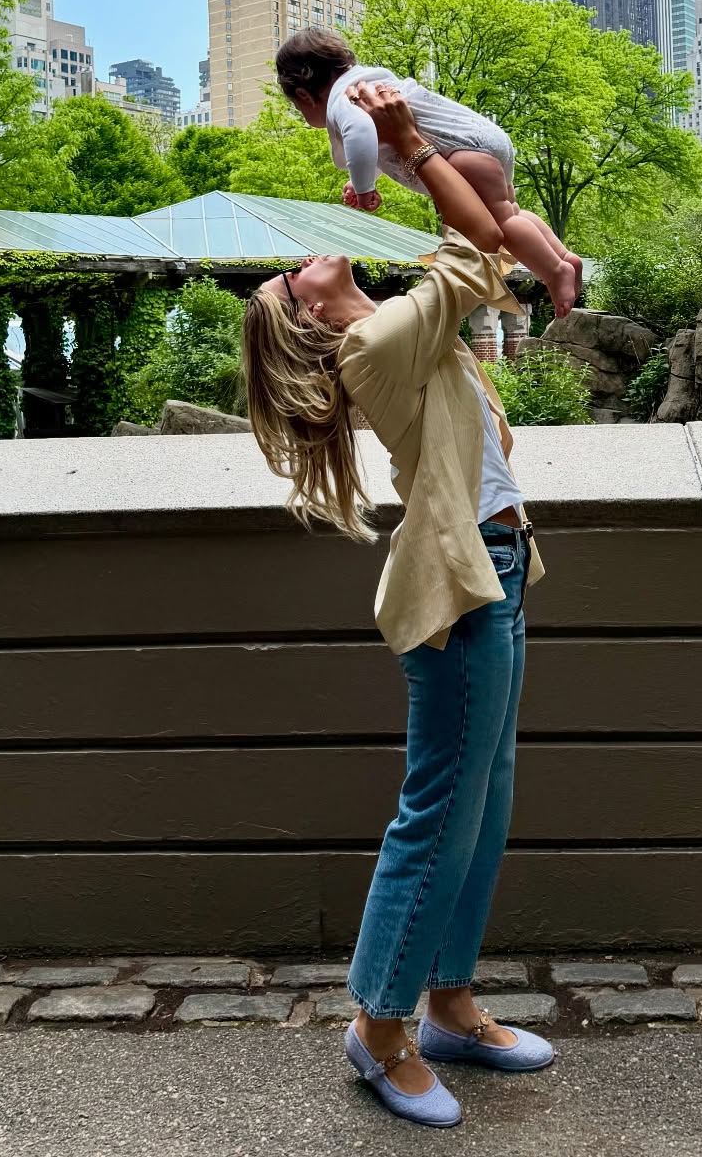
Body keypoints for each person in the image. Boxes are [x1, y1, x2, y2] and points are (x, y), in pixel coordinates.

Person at [241, 78, 555, 1130]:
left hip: (497, 575)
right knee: (437, 815)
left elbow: (469, 247)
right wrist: (412, 145)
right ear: (307, 316)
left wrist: (410, 166)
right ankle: (379, 1028)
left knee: (484, 808)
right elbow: (484, 246)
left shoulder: (396, 329)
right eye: (292, 275)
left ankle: (452, 1005)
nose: (304, 256)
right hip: (464, 596)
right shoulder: (374, 345)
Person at [274, 27, 582, 316]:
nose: (304, 116)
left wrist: (363, 184)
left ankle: (555, 271)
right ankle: (564, 256)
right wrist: (362, 180)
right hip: (480, 140)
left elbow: (360, 133)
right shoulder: (370, 82)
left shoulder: (345, 99)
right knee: (512, 211)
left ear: (304, 95)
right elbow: (382, 148)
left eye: (299, 109)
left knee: (502, 226)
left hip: (463, 151)